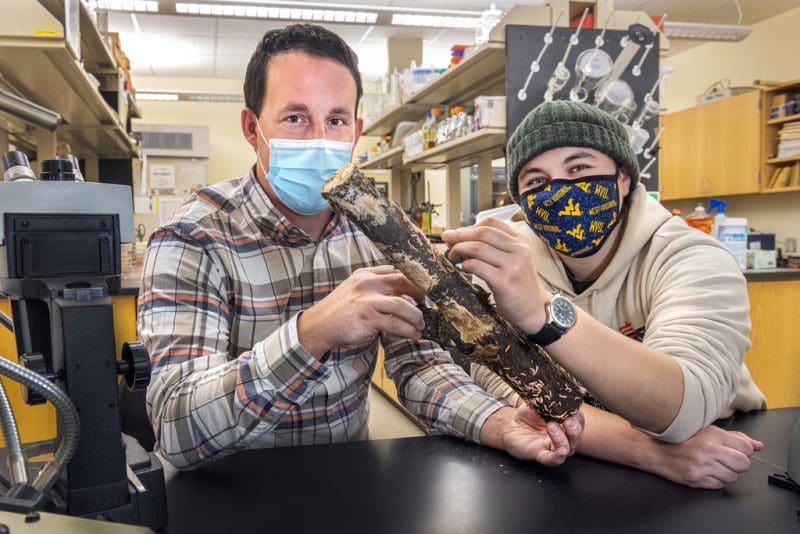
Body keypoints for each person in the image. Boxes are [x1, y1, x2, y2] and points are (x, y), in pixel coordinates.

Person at [137, 24, 583, 471]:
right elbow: (177, 428)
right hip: (225, 491)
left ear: (356, 131)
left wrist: (497, 422)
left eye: (335, 120)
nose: (320, 138)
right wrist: (312, 333)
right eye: (295, 118)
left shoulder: (379, 228)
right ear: (253, 128)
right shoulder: (194, 237)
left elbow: (420, 366)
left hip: (350, 484)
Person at [442, 100, 767, 489]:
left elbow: (682, 410)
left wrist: (543, 313)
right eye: (536, 182)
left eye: (579, 168)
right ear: (523, 204)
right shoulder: (508, 262)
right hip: (578, 461)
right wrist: (645, 451)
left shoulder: (692, 258)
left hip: (718, 451)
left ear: (623, 178)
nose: (559, 191)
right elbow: (498, 380)